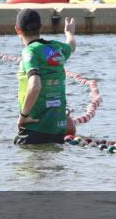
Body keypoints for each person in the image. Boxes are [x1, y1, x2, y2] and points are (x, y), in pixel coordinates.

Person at [15, 9, 77, 145]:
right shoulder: (57, 48)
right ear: (41, 27)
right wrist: (69, 32)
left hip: (34, 126)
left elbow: (35, 86)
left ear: (18, 30)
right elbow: (71, 46)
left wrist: (23, 117)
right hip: (57, 128)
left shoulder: (29, 51)